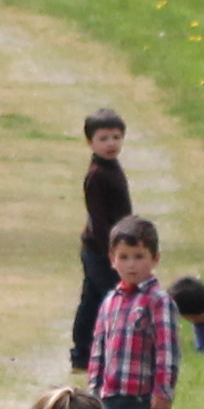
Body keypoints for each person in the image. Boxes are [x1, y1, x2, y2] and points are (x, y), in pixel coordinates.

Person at [86, 216, 179, 409]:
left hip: (147, 398)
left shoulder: (158, 301)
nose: (131, 265)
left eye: (139, 257)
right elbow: (99, 345)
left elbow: (167, 349)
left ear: (155, 259)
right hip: (112, 394)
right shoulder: (111, 300)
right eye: (123, 257)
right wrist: (94, 388)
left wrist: (163, 390)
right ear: (112, 260)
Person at [73, 106, 134, 372]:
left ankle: (86, 352)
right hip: (100, 250)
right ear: (90, 142)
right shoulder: (97, 175)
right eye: (103, 139)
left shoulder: (111, 166)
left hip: (110, 247)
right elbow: (98, 219)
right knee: (109, 299)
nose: (111, 144)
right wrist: (112, 253)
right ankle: (87, 353)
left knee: (93, 300)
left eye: (116, 137)